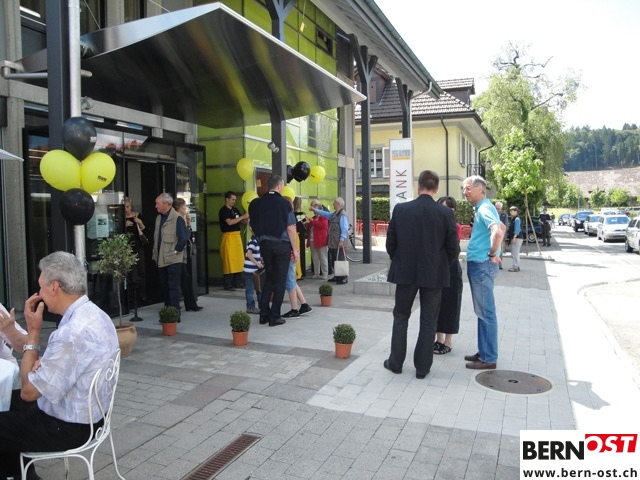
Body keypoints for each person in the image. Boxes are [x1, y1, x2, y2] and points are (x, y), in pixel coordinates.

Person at [0, 251, 119, 480]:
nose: (39, 294)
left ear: (54, 287)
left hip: (70, 426)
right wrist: (41, 363)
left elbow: (28, 392)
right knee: (6, 402)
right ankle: (22, 474)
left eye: (41, 287)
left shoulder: (71, 333)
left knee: (9, 412)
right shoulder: (97, 314)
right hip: (93, 415)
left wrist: (34, 332)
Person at [383, 170, 460, 379]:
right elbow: (453, 248)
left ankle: (396, 363)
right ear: (436, 189)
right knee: (428, 320)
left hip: (405, 272)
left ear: (418, 186)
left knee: (401, 316)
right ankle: (422, 368)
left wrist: (401, 261)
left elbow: (391, 243)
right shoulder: (445, 213)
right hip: (433, 274)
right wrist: (441, 265)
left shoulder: (401, 210)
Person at [462, 175, 506, 370]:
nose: (465, 192)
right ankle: (484, 352)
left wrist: (492, 254)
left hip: (481, 264)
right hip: (480, 264)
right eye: (463, 189)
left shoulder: (485, 208)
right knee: (482, 311)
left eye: (468, 188)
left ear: (480, 189)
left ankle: (489, 358)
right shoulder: (483, 208)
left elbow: (498, 231)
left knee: (486, 312)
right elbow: (502, 226)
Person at [249, 176, 298, 327]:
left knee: (269, 279)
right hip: (282, 245)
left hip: (265, 245)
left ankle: (264, 314)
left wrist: (260, 237)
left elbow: (252, 226)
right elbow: (291, 228)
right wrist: (295, 250)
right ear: (279, 186)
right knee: (280, 281)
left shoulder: (257, 203)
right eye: (282, 186)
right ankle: (275, 316)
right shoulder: (284, 203)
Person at [434, 196, 464, 355]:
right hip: (437, 268)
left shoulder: (455, 226)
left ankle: (448, 341)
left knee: (451, 304)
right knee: (436, 303)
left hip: (451, 268)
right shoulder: (433, 225)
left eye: (449, 209)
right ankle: (438, 339)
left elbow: (453, 248)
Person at [152, 193, 189, 314]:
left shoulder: (177, 218)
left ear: (166, 204)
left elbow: (183, 238)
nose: (156, 206)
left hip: (173, 259)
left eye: (157, 203)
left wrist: (175, 251)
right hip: (161, 258)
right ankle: (168, 313)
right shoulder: (159, 218)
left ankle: (174, 313)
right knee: (165, 286)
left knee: (173, 286)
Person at [311, 197, 349, 285]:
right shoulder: (335, 214)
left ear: (338, 204)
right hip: (333, 241)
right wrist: (315, 210)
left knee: (340, 259)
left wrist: (341, 240)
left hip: (339, 241)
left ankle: (343, 277)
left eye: (334, 203)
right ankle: (337, 275)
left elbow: (344, 228)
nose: (333, 204)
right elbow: (326, 214)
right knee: (335, 259)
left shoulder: (342, 215)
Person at [173, 198, 202, 311]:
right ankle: (189, 304)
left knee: (185, 279)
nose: (186, 208)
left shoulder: (181, 218)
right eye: (184, 206)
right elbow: (184, 237)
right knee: (184, 279)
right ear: (180, 208)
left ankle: (190, 303)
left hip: (183, 254)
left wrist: (188, 224)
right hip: (180, 255)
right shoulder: (178, 218)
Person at [219, 191, 249, 291]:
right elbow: (230, 222)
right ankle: (228, 284)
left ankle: (238, 282)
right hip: (229, 237)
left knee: (239, 260)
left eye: (235, 200)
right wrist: (242, 217)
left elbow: (243, 221)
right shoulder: (223, 210)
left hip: (237, 237)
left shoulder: (235, 210)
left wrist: (247, 216)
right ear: (226, 199)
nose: (234, 201)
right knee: (229, 261)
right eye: (232, 199)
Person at [124, 197, 147, 302]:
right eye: (124, 207)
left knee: (141, 270)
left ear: (131, 206)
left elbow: (144, 229)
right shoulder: (121, 218)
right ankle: (130, 296)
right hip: (127, 247)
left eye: (128, 207)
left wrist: (140, 222)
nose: (126, 209)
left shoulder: (137, 215)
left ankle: (142, 294)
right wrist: (124, 225)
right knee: (130, 272)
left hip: (138, 246)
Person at [306, 200, 329, 280]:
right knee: (315, 258)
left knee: (323, 258)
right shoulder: (313, 218)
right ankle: (316, 273)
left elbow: (323, 226)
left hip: (321, 241)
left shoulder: (324, 218)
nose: (315, 213)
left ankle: (325, 273)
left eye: (316, 211)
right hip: (313, 240)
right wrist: (308, 221)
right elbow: (308, 228)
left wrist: (313, 221)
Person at [243, 231, 263, 314]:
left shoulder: (257, 241)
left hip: (255, 270)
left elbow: (256, 254)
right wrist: (257, 264)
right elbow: (249, 254)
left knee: (259, 289)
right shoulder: (253, 241)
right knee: (250, 289)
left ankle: (261, 307)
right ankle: (250, 307)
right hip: (250, 270)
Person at [507, 206, 524, 272]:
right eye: (510, 211)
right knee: (514, 252)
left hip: (517, 238)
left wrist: (514, 237)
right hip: (516, 237)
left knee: (515, 253)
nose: (510, 212)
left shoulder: (517, 219)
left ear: (516, 211)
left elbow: (517, 229)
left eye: (511, 211)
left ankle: (515, 267)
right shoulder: (514, 219)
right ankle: (516, 266)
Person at [495, 201, 508, 269]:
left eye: (499, 209)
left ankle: (500, 265)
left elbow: (506, 225)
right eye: (496, 208)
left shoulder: (504, 215)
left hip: (501, 235)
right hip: (493, 234)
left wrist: (504, 235)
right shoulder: (492, 213)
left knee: (500, 250)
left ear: (501, 208)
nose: (497, 210)